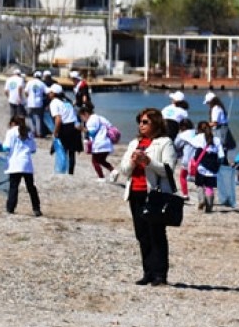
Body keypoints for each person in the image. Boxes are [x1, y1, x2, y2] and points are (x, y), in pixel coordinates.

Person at [118, 107, 176, 286]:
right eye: (140, 122)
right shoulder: (134, 143)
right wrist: (133, 161)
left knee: (156, 233)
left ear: (156, 123)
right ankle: (148, 272)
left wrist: (149, 162)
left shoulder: (165, 142)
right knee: (142, 234)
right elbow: (124, 170)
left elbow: (168, 170)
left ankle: (160, 274)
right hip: (135, 192)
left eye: (145, 122)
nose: (141, 125)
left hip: (154, 193)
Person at [2, 115, 42, 217]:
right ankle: (36, 208)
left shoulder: (11, 132)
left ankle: (10, 208)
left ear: (13, 123)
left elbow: (6, 147)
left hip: (15, 163)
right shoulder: (29, 133)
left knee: (14, 186)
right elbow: (33, 150)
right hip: (26, 163)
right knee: (31, 187)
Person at [48, 83, 81, 175]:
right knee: (71, 152)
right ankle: (70, 173)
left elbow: (58, 120)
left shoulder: (54, 103)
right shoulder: (66, 101)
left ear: (54, 93)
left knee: (62, 150)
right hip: (75, 126)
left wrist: (55, 133)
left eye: (50, 92)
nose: (48, 94)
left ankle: (61, 171)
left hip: (66, 127)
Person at [79, 105, 116, 181]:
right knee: (102, 160)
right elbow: (110, 126)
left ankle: (101, 177)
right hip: (107, 143)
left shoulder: (91, 120)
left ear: (85, 114)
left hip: (99, 144)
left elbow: (91, 133)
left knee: (95, 161)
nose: (82, 120)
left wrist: (82, 129)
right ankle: (113, 171)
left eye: (81, 117)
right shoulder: (100, 118)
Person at [191, 120, 220, 213]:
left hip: (200, 167)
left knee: (199, 185)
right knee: (209, 187)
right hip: (213, 168)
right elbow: (222, 155)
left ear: (199, 129)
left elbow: (191, 144)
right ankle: (209, 207)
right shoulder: (216, 139)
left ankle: (201, 200)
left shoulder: (197, 137)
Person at [203, 91, 231, 164]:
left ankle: (221, 168)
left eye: (208, 103)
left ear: (210, 101)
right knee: (223, 152)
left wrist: (205, 125)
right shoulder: (219, 107)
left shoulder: (215, 108)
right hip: (224, 132)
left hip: (219, 133)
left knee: (220, 151)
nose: (208, 105)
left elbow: (215, 122)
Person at [172, 118, 197, 199]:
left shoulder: (182, 135)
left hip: (187, 159)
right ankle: (205, 195)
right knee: (201, 178)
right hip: (199, 158)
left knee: (182, 176)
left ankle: (185, 194)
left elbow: (176, 145)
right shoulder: (197, 132)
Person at [24, 70, 48, 137]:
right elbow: (47, 91)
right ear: (40, 77)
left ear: (34, 76)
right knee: (38, 118)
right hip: (39, 103)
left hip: (30, 103)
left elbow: (25, 92)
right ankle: (39, 133)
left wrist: (28, 97)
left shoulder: (29, 82)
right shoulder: (41, 83)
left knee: (29, 117)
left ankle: (33, 131)